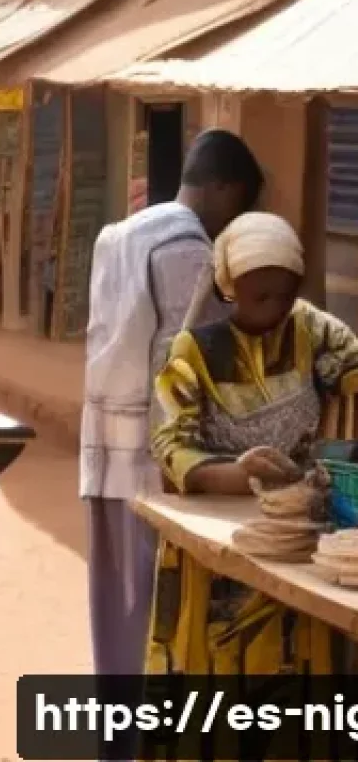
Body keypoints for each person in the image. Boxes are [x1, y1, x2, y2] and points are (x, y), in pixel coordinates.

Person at [80, 129, 264, 676]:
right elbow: (188, 367)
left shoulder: (119, 233)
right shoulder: (188, 250)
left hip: (102, 453)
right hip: (151, 464)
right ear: (222, 187)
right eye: (240, 206)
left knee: (115, 616)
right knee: (157, 620)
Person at [149, 211, 358, 673]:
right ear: (229, 288)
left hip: (296, 536)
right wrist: (241, 474)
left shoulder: (314, 331)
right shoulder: (193, 352)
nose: (274, 308)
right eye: (260, 295)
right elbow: (170, 448)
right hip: (220, 538)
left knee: (296, 669)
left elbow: (352, 374)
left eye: (285, 295)